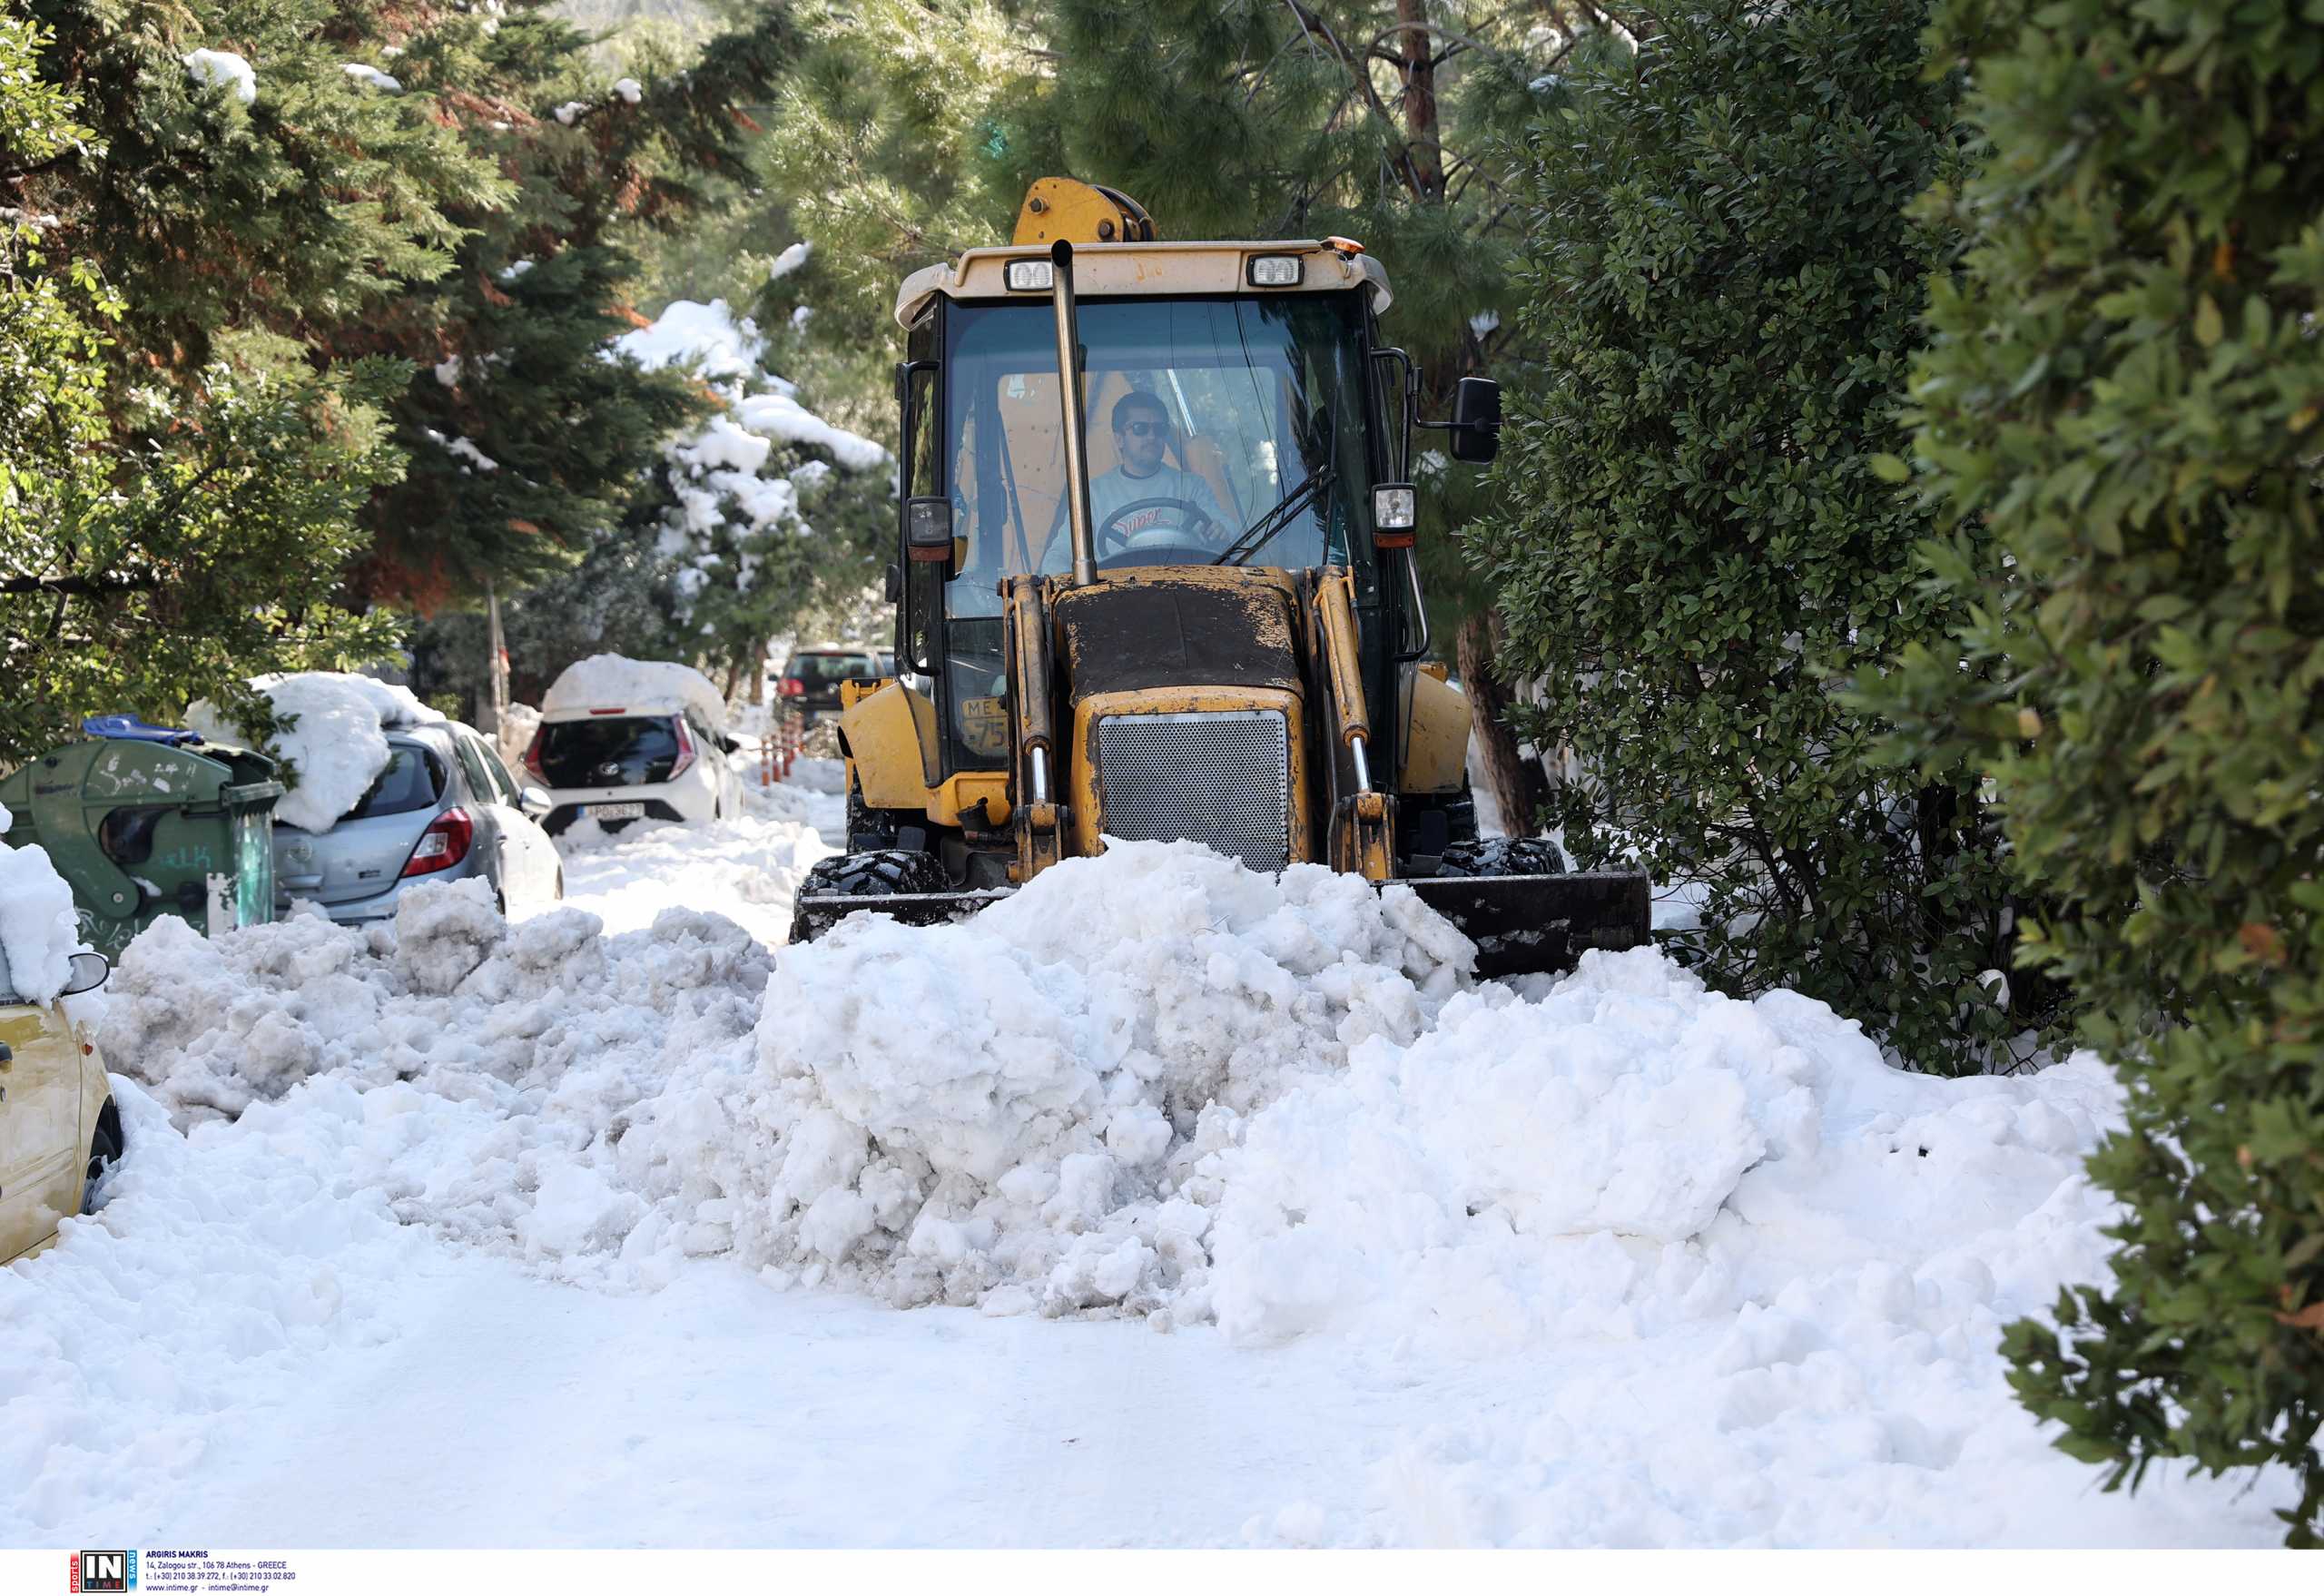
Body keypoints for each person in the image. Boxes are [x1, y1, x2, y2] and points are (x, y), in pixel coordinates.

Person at [1067, 390, 1236, 558]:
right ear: (1119, 439)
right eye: (1140, 428)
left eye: (1159, 429)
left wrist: (1221, 532)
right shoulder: (1091, 496)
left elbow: (1231, 533)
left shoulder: (1192, 486)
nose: (1151, 436)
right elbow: (1058, 556)